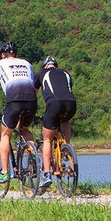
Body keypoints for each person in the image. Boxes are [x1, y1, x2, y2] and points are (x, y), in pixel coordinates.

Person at [0, 41, 37, 184]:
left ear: (2, 54)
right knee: (24, 129)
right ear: (15, 54)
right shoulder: (27, 63)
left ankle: (5, 172)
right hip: (31, 101)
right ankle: (34, 158)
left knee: (6, 134)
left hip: (14, 101)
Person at [34, 56, 77, 193]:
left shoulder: (41, 74)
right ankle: (66, 150)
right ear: (56, 66)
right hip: (71, 104)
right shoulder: (65, 73)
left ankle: (46, 174)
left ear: (44, 66)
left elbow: (33, 94)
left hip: (54, 103)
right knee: (65, 121)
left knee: (47, 138)